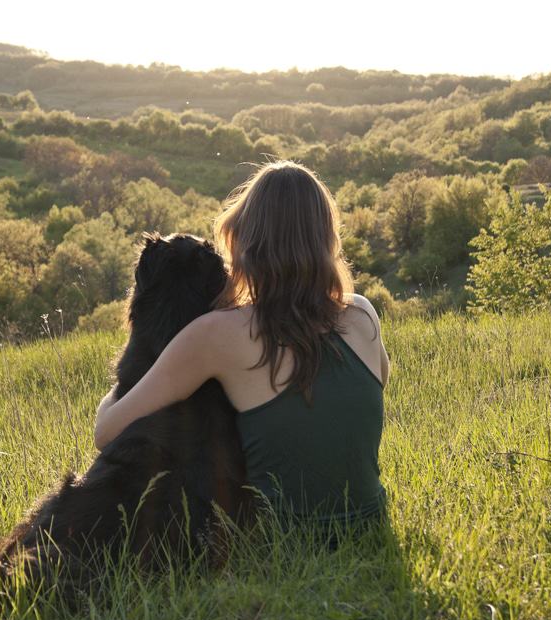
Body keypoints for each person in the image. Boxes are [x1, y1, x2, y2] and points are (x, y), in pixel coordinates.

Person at [94, 160, 390, 538]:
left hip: (282, 543)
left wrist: (116, 393)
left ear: (244, 240)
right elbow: (367, 393)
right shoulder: (363, 314)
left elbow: (107, 431)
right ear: (327, 242)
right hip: (371, 525)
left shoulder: (217, 334)